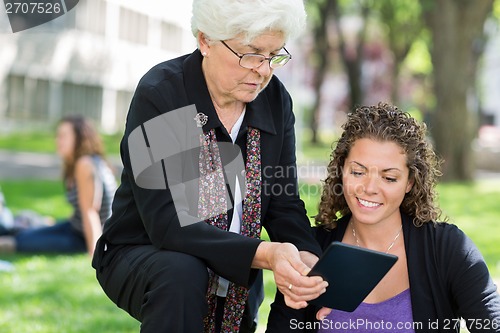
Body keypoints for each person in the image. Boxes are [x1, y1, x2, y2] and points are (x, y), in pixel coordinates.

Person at [91, 1, 329, 332]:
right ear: (205, 41)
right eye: (251, 54)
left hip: (235, 264)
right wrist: (266, 254)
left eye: (274, 55)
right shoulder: (164, 93)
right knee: (182, 272)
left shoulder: (275, 99)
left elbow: (283, 201)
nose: (262, 69)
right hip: (144, 252)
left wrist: (307, 259)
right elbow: (169, 224)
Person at [266, 102, 500, 332]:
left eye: (389, 178)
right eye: (358, 172)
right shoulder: (310, 250)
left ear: (410, 182)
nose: (369, 188)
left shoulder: (448, 249)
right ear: (342, 171)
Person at [0, 115, 117, 256]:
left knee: (16, 242)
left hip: (82, 238)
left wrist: (95, 253)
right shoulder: (88, 161)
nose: (57, 141)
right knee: (22, 234)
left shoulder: (85, 164)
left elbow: (91, 211)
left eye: (63, 136)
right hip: (73, 228)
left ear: (79, 138)